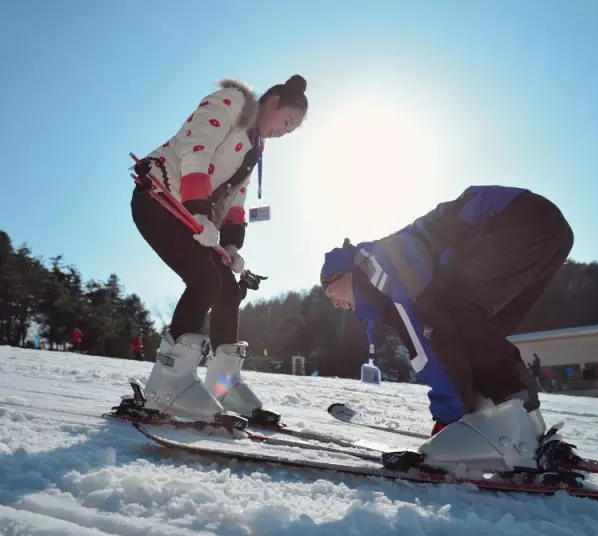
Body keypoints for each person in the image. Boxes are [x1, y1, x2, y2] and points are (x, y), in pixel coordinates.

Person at [319, 185, 573, 473]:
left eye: (329, 291)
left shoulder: (375, 266)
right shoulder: (380, 275)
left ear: (343, 273)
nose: (334, 303)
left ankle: (505, 429)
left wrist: (448, 416)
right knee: (476, 328)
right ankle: (525, 425)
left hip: (512, 218)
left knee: (447, 313)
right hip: (549, 229)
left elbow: (424, 351)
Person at [131, 75, 308, 426]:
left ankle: (223, 385)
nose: (285, 132)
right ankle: (168, 383)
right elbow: (197, 148)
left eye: (292, 130)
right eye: (287, 122)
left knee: (228, 290)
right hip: (159, 199)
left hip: (192, 218)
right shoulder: (233, 103)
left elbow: (236, 199)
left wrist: (231, 243)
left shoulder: (256, 146)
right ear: (272, 102)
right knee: (204, 281)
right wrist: (198, 208)